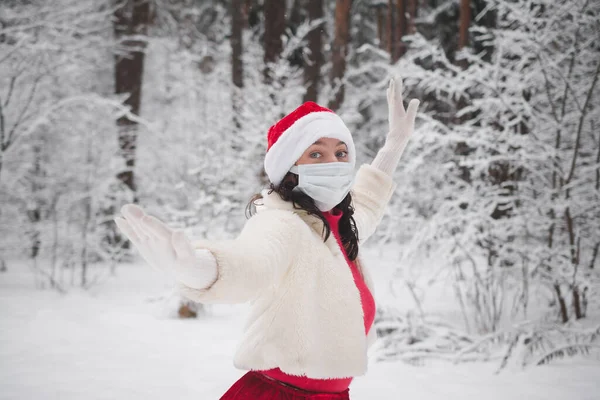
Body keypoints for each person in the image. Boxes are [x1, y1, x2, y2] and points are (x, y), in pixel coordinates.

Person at [114, 77, 419, 399]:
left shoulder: (339, 224)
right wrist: (194, 267)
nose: (334, 163)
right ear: (289, 169)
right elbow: (250, 264)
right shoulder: (283, 223)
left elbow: (368, 200)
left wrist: (395, 143)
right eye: (316, 154)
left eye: (341, 153)